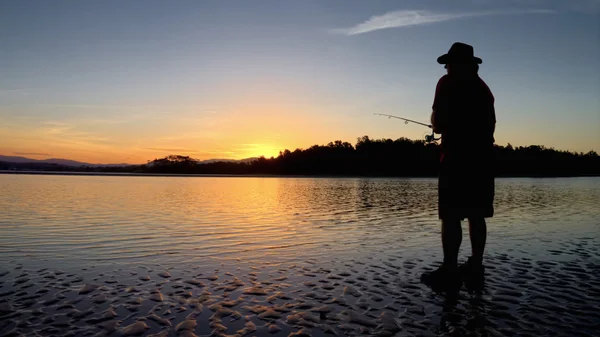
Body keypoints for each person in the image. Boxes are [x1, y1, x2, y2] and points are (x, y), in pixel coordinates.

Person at [420, 42, 496, 290]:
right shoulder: (484, 90)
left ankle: (450, 269)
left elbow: (438, 125)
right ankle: (476, 265)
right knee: (476, 214)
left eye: (449, 63)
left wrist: (434, 121)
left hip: (455, 160)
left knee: (451, 216)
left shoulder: (446, 83)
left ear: (456, 64)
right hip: (483, 161)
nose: (446, 67)